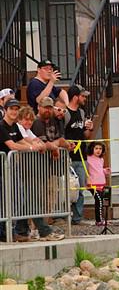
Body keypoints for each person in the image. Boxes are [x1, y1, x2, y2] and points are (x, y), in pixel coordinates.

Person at [0, 99, 63, 241]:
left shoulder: (14, 127)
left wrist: (39, 146)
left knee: (20, 200)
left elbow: (24, 140)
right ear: (5, 110)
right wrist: (31, 148)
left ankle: (18, 231)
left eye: (16, 109)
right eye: (11, 109)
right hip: (7, 168)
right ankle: (11, 232)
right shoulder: (2, 126)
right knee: (12, 200)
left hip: (12, 168)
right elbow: (12, 146)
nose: (14, 112)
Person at [65, 85, 95, 224]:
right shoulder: (66, 113)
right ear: (75, 96)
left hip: (81, 156)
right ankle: (63, 217)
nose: (85, 99)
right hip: (68, 157)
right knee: (67, 188)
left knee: (80, 188)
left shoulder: (82, 113)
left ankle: (77, 218)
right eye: (83, 96)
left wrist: (89, 128)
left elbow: (85, 136)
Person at [86, 142, 110, 225]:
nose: (98, 150)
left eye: (100, 149)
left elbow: (99, 170)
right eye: (96, 148)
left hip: (101, 183)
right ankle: (99, 220)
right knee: (98, 201)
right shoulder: (88, 158)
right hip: (93, 184)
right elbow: (87, 171)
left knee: (101, 202)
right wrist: (87, 181)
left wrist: (105, 171)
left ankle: (101, 219)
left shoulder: (101, 159)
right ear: (92, 149)